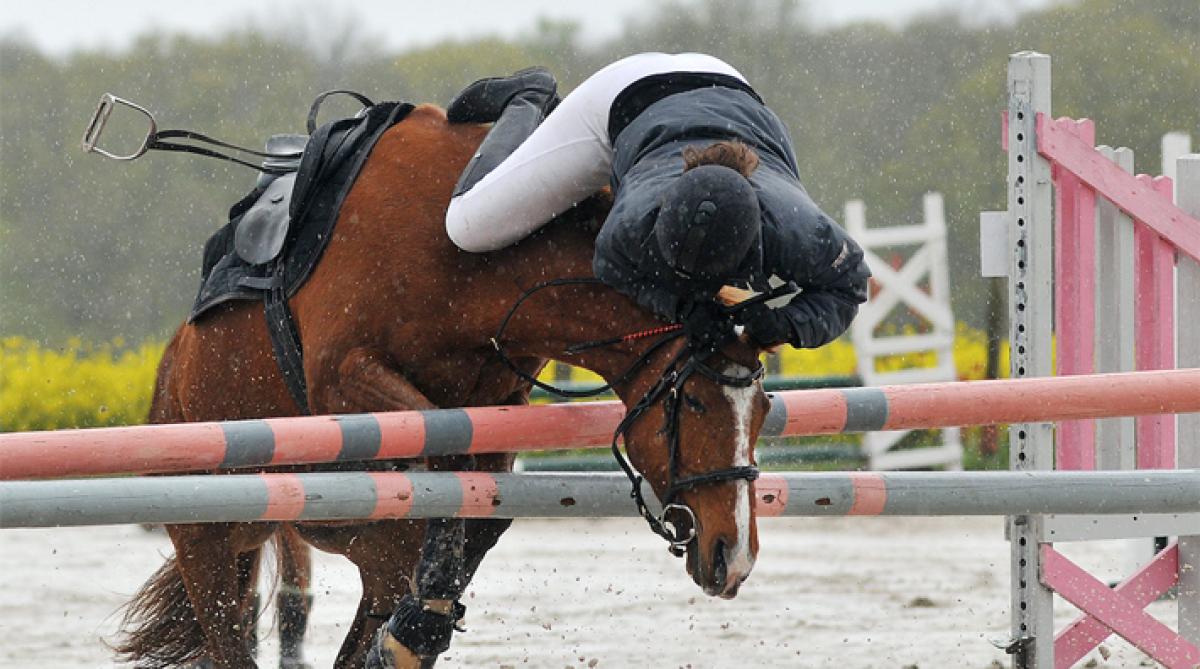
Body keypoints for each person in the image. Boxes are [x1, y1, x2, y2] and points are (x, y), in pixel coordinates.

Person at [444, 52, 870, 350]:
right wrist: (682, 307)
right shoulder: (634, 219)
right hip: (619, 99)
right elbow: (611, 265)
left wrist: (782, 325)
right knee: (467, 227)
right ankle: (528, 99)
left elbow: (849, 289)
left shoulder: (799, 231)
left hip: (723, 82)